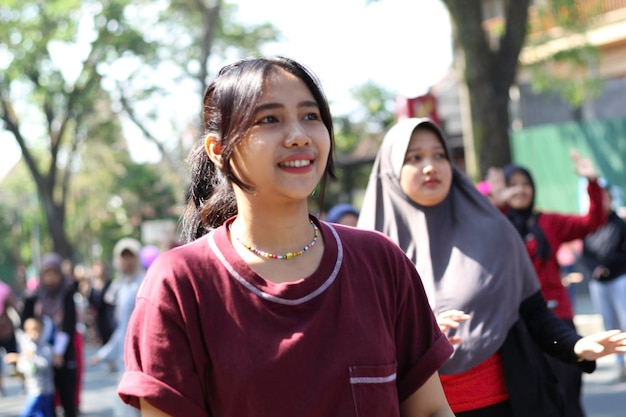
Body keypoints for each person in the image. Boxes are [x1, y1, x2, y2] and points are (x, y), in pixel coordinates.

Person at [117, 56, 455, 417]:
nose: (299, 136)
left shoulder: (380, 262)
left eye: (311, 116)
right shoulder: (178, 285)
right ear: (219, 151)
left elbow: (431, 410)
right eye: (270, 120)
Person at [357, 117, 626, 417]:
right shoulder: (367, 254)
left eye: (439, 155)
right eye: (414, 157)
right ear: (391, 171)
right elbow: (360, 350)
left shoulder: (494, 231)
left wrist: (574, 346)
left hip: (507, 403)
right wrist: (422, 337)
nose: (430, 166)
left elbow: (534, 315)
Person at [488, 155, 606, 417]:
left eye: (525, 184)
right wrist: (494, 203)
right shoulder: (494, 223)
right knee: (530, 397)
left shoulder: (549, 222)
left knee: (567, 390)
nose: (520, 190)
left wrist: (591, 181)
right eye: (513, 184)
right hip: (514, 324)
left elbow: (593, 221)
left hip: (556, 318)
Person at [89, 237, 144, 417]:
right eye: (123, 257)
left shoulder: (146, 281)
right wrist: (104, 353)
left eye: (131, 256)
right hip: (125, 360)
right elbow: (123, 328)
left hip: (144, 358)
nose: (127, 261)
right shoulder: (119, 286)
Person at [22, 252, 78, 417]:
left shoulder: (67, 292)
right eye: (47, 273)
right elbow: (25, 323)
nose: (51, 278)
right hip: (40, 353)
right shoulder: (33, 295)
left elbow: (69, 323)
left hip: (63, 351)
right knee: (46, 398)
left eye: (54, 273)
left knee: (67, 393)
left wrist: (58, 351)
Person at [581, 183, 626, 381]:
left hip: (619, 278)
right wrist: (595, 269)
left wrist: (608, 266)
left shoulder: (619, 224)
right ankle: (620, 365)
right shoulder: (590, 225)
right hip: (598, 282)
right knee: (609, 324)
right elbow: (586, 254)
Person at [4, 316, 55, 417]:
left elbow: (44, 365)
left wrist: (30, 357)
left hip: (42, 390)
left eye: (36, 330)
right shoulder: (27, 346)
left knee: (26, 413)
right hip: (32, 387)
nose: (33, 333)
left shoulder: (45, 348)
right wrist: (18, 361)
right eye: (29, 330)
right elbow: (26, 367)